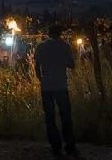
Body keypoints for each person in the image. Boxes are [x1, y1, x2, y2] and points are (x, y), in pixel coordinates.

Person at [34, 25, 79, 158]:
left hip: (47, 87)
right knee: (66, 117)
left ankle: (55, 146)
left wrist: (41, 80)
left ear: (48, 33)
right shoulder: (65, 46)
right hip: (61, 86)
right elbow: (72, 65)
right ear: (60, 33)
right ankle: (70, 146)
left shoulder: (41, 46)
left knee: (50, 117)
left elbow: (37, 67)